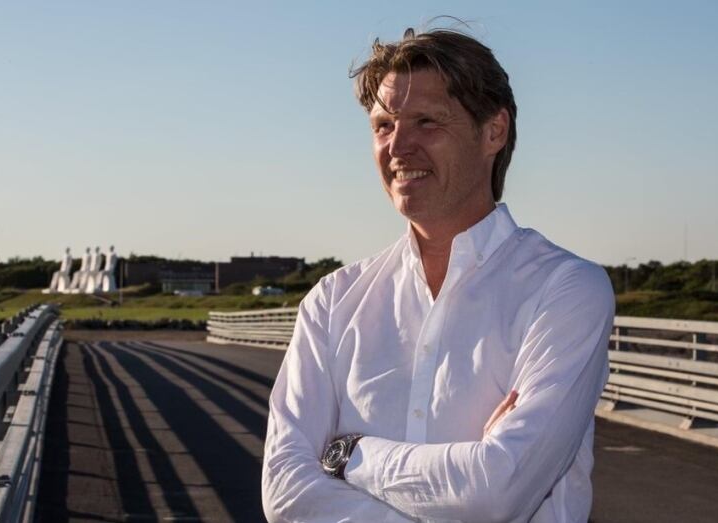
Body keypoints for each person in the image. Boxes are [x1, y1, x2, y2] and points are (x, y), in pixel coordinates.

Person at [262, 27, 614, 523]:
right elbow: (284, 495)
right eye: (383, 125)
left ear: (494, 131)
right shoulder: (331, 303)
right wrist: (461, 480)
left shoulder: (566, 291)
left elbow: (495, 491)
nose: (399, 146)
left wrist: (349, 455)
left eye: (427, 122)